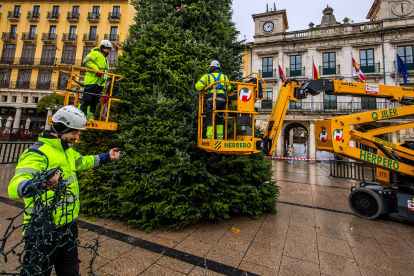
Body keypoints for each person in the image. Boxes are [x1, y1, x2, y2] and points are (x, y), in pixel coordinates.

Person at [8, 105, 120, 276]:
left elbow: (83, 162)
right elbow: (14, 186)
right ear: (60, 129)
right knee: (37, 272)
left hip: (67, 226)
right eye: (74, 132)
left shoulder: (67, 152)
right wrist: (40, 184)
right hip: (42, 229)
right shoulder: (38, 153)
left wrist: (107, 156)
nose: (77, 136)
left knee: (70, 270)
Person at [195, 60, 231, 139]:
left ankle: (210, 138)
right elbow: (229, 88)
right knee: (219, 119)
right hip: (222, 101)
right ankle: (220, 138)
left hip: (212, 100)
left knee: (210, 118)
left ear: (211, 67)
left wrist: (205, 88)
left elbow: (198, 87)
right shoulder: (224, 77)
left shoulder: (207, 76)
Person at [78, 40, 112, 121]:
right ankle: (79, 114)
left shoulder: (105, 59)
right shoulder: (95, 53)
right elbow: (86, 61)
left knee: (94, 101)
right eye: (107, 49)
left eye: (109, 50)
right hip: (92, 82)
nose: (108, 51)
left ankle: (90, 116)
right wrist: (96, 70)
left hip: (99, 84)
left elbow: (104, 72)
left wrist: (108, 78)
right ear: (102, 47)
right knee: (86, 99)